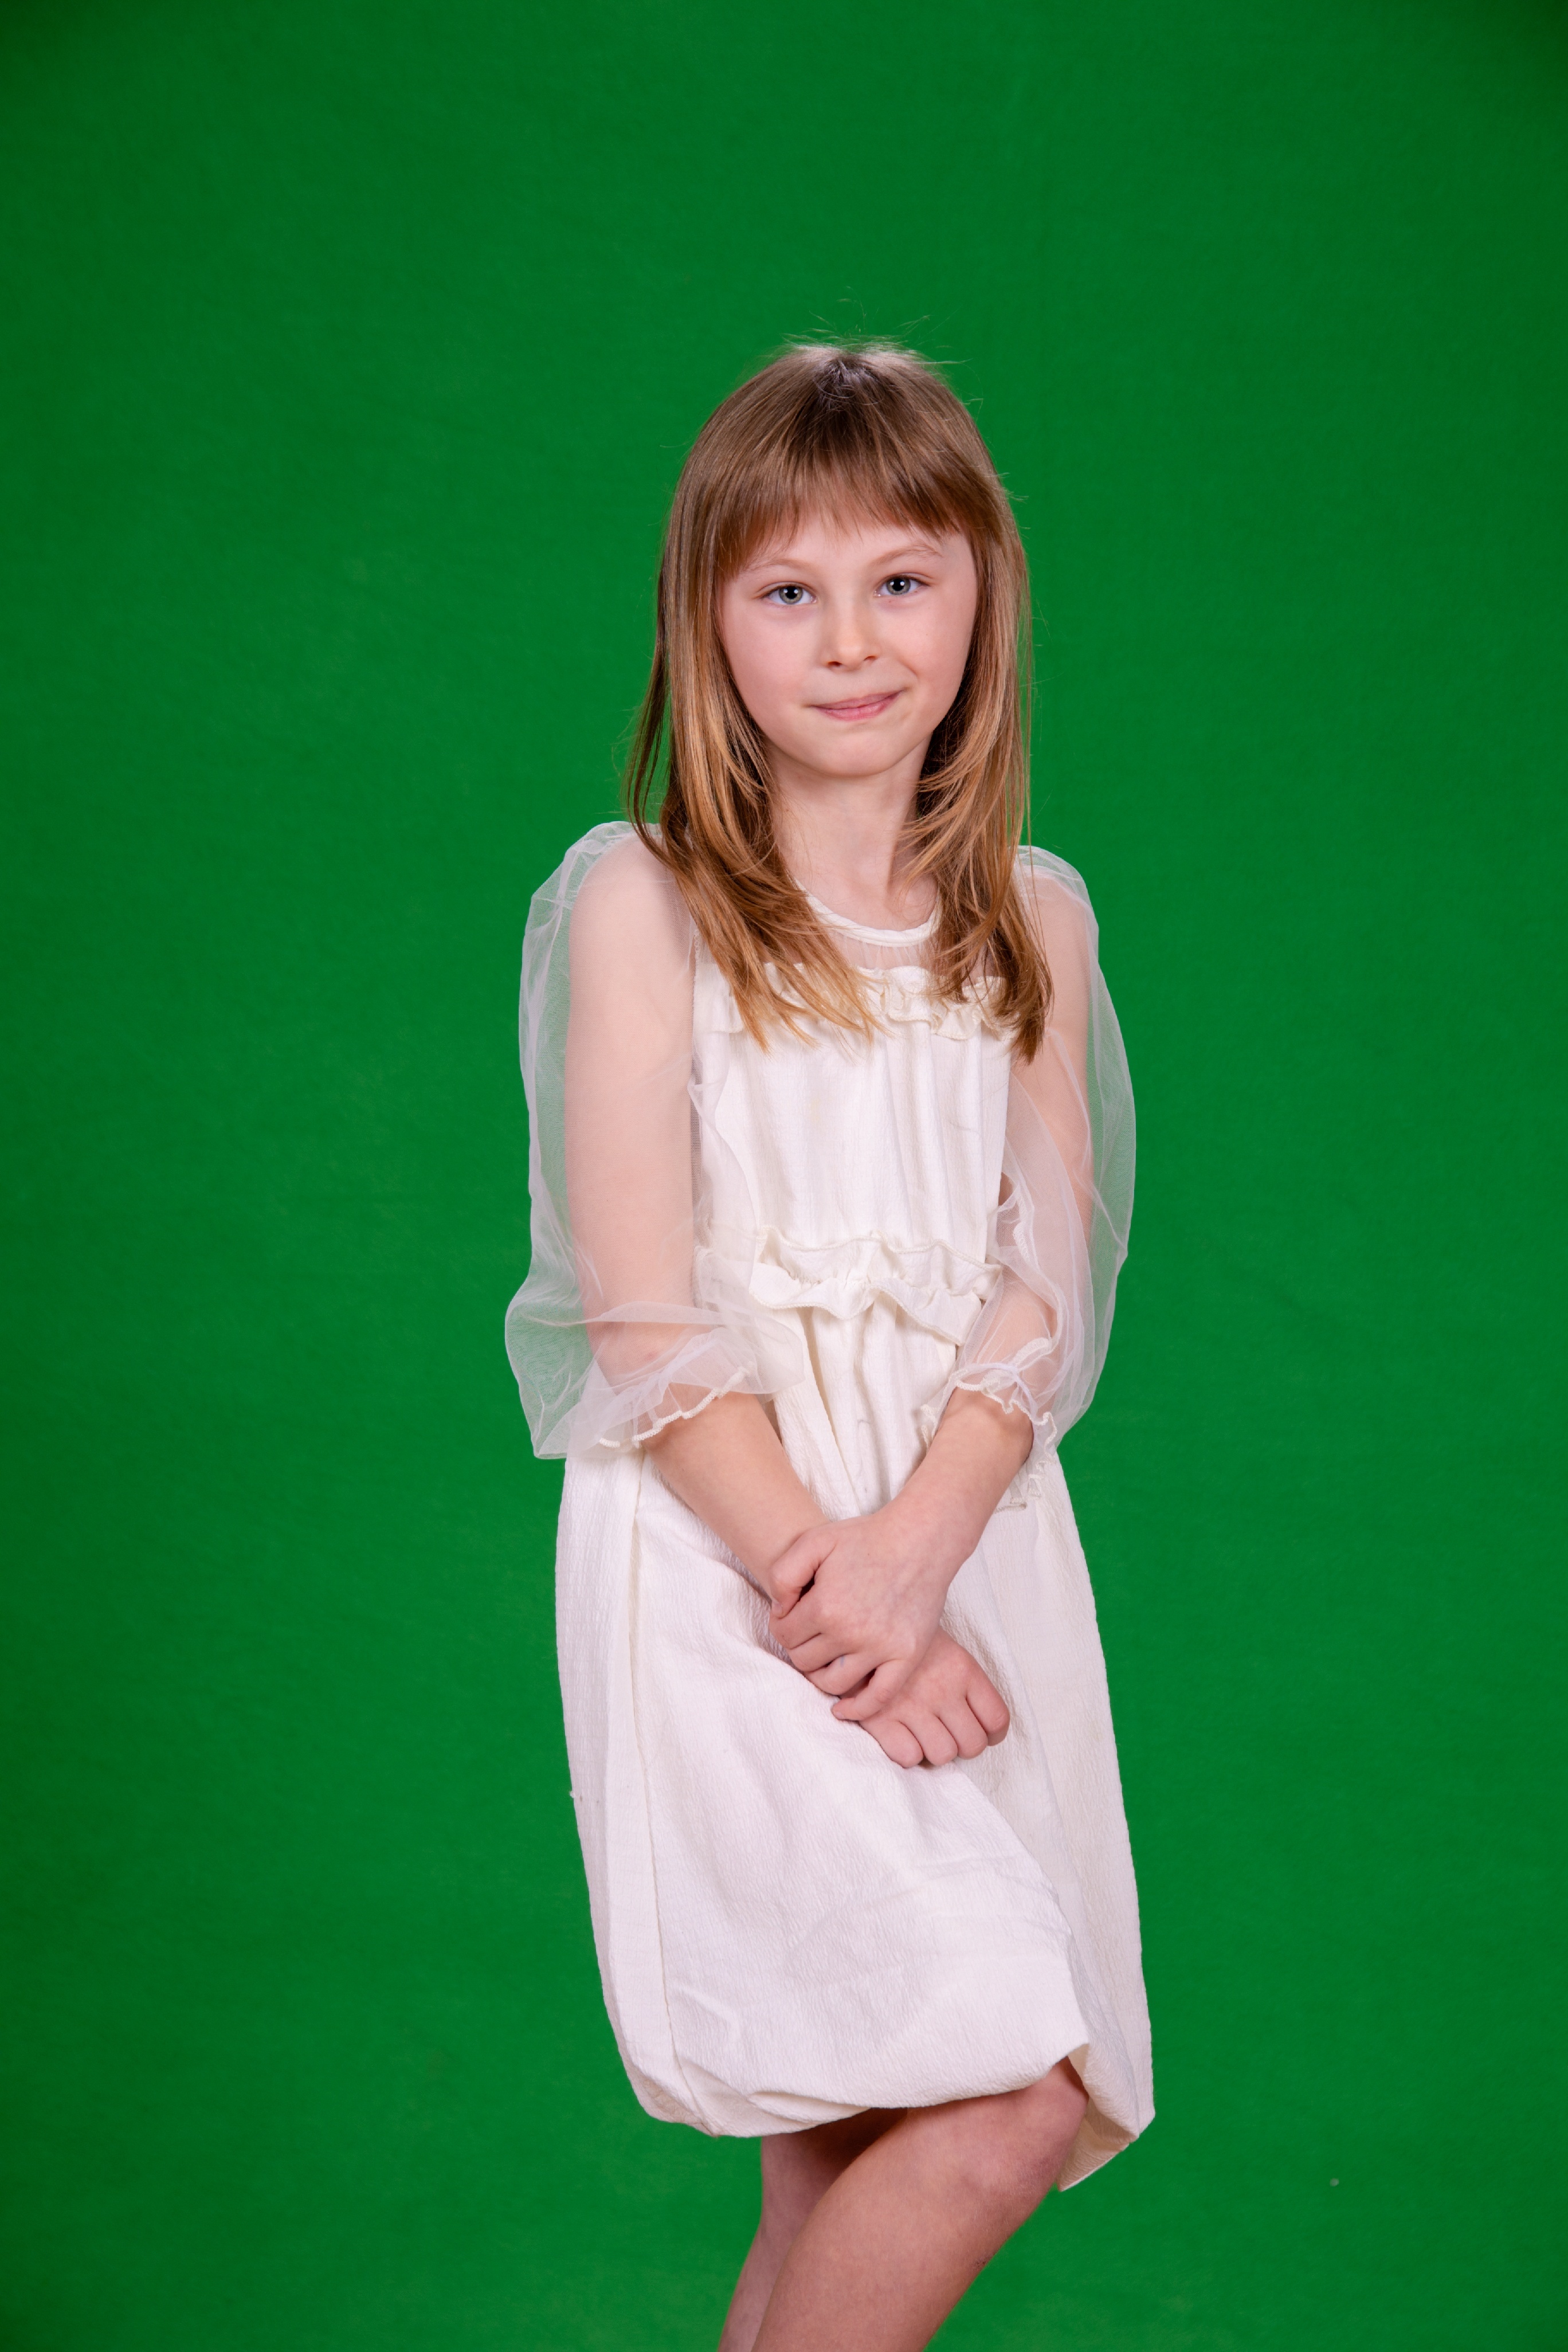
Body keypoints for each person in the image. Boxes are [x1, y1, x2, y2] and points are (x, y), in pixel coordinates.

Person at [505, 342, 1152, 2352]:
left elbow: (1041, 1284)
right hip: (737, 1558)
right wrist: (834, 1582)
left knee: (858, 2139)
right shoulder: (648, 901)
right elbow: (639, 1312)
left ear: (981, 603)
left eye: (901, 582)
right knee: (998, 2097)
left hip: (956, 1548)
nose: (852, 640)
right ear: (709, 621)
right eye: (789, 590)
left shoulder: (1032, 920)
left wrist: (921, 1555)